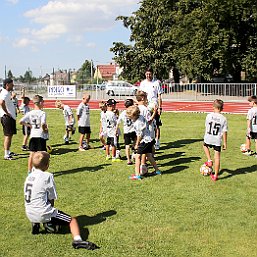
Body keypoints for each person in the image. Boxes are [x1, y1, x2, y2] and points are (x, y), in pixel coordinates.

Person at [24, 151, 99, 250]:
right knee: (72, 220)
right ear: (47, 165)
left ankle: (36, 224)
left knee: (38, 198)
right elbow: (51, 198)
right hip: (42, 212)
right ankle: (78, 240)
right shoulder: (48, 176)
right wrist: (51, 214)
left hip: (29, 212)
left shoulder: (29, 176)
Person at [126, 105, 161, 180]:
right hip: (149, 139)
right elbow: (148, 122)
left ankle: (137, 175)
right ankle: (157, 171)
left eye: (130, 116)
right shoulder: (141, 117)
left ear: (134, 115)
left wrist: (137, 144)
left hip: (144, 141)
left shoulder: (138, 123)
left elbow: (140, 135)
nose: (129, 117)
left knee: (137, 157)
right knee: (149, 155)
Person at [20, 95, 49, 173]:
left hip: (33, 136)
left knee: (32, 154)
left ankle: (29, 171)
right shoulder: (42, 113)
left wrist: (29, 125)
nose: (43, 103)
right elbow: (43, 124)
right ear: (39, 103)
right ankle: (41, 171)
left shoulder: (30, 113)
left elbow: (21, 121)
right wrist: (45, 130)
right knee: (42, 155)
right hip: (40, 135)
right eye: (43, 102)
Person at [203, 99, 228, 181]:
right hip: (217, 139)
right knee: (217, 158)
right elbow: (224, 131)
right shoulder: (223, 119)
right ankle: (215, 176)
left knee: (205, 146)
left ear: (213, 107)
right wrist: (225, 142)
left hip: (208, 137)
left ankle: (209, 160)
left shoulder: (209, 115)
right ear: (222, 108)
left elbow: (206, 126)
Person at [139, 67, 163, 150]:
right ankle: (147, 141)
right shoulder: (142, 83)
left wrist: (160, 107)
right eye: (147, 74)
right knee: (146, 124)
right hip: (145, 107)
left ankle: (157, 141)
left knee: (156, 125)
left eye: (150, 74)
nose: (148, 75)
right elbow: (140, 95)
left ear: (152, 74)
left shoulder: (157, 82)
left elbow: (159, 96)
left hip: (154, 107)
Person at [0, 78, 17, 160]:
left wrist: (11, 98)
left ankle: (8, 151)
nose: (13, 85)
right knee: (8, 136)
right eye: (11, 84)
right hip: (7, 118)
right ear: (7, 85)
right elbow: (1, 102)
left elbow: (6, 102)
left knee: (9, 136)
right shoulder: (5, 93)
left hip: (9, 117)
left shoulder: (6, 93)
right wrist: (7, 112)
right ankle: (6, 154)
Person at [116, 99, 136, 165]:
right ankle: (134, 154)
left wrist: (116, 130)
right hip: (133, 130)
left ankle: (128, 159)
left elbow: (118, 122)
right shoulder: (133, 111)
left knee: (127, 145)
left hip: (126, 131)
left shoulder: (123, 113)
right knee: (135, 143)